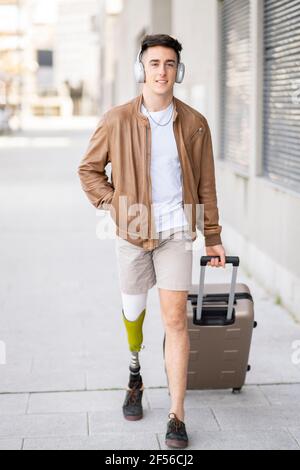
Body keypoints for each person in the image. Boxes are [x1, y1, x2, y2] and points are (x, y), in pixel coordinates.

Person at [78, 34, 226, 449]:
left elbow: (207, 185)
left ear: (179, 70)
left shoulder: (195, 123)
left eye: (169, 64)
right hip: (131, 231)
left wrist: (212, 235)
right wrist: (115, 203)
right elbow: (88, 170)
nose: (162, 71)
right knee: (134, 313)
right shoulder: (116, 119)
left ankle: (177, 414)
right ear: (141, 68)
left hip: (176, 231)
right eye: (154, 63)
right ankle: (134, 371)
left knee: (176, 318)